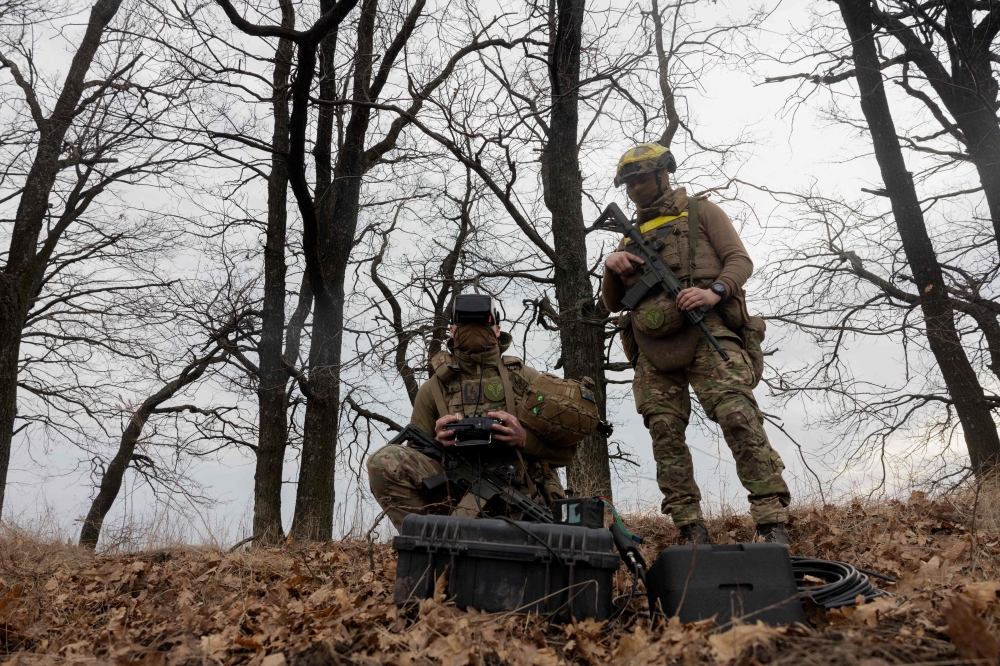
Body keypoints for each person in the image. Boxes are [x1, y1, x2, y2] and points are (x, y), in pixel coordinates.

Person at [602, 142, 792, 545]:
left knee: (738, 417)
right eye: (628, 182)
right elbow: (614, 304)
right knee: (665, 432)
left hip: (705, 328)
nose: (634, 188)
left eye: (640, 178)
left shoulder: (702, 211)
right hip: (651, 347)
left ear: (662, 172)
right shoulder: (626, 239)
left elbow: (740, 260)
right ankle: (689, 527)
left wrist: (714, 292)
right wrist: (611, 269)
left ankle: (771, 519)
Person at [367, 294, 573, 530]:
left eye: (483, 323)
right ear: (452, 330)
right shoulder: (433, 389)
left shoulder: (528, 380)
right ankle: (427, 549)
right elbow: (412, 463)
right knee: (384, 461)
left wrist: (525, 439)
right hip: (457, 494)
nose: (474, 330)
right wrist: (438, 443)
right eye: (465, 324)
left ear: (498, 330)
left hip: (524, 496)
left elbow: (565, 454)